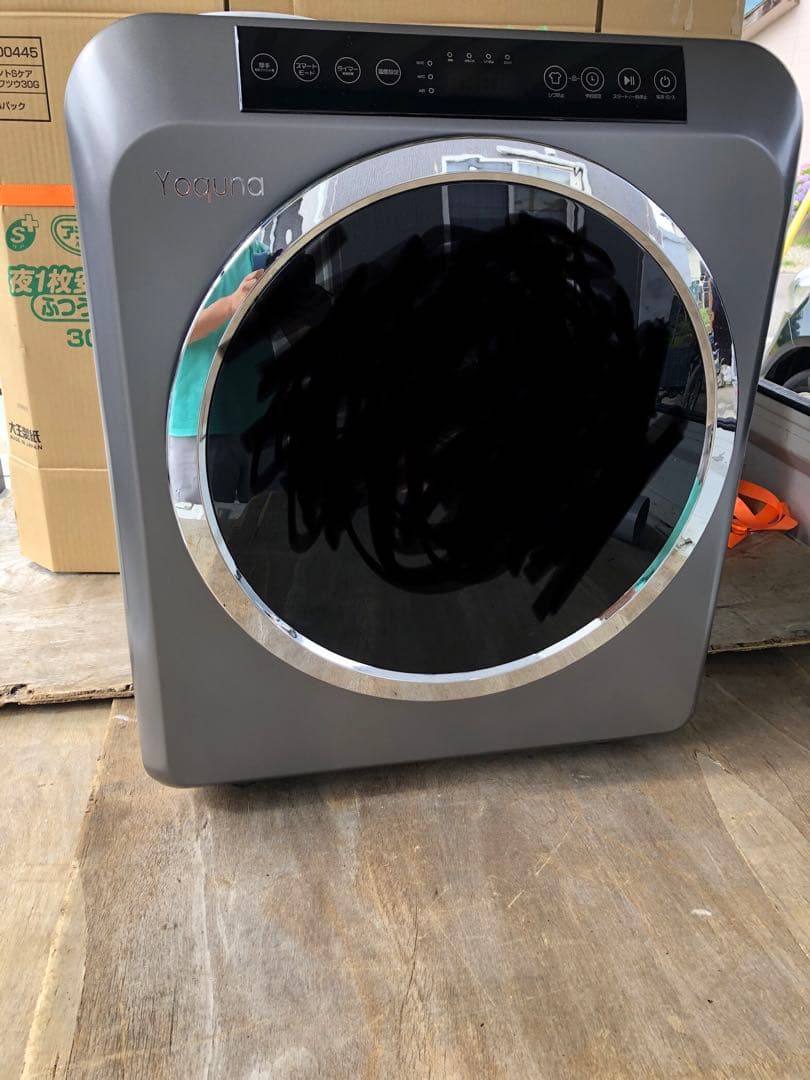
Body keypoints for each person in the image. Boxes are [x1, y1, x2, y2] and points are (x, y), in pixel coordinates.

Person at [168, 244, 267, 504]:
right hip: (197, 422)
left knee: (264, 520)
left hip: (256, 417)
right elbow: (169, 333)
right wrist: (230, 304)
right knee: (201, 524)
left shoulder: (255, 251)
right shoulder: (174, 258)